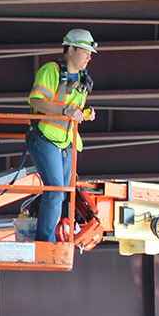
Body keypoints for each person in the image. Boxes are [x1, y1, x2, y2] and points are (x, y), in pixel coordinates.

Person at [26, 29, 96, 241]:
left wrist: (84, 113)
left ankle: (53, 235)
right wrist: (66, 112)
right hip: (46, 137)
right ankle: (46, 242)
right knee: (56, 190)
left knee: (64, 191)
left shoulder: (83, 79)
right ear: (71, 49)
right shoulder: (52, 70)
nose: (89, 57)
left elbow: (70, 109)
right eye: (85, 51)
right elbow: (36, 100)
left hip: (68, 142)